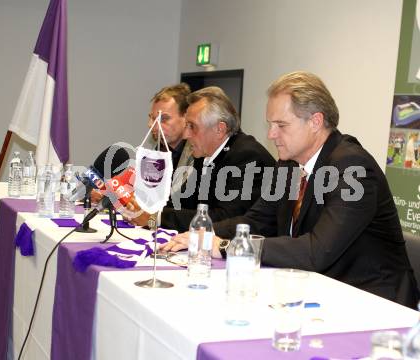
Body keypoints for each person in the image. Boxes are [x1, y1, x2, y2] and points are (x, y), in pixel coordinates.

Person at [163, 71, 419, 308]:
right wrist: (200, 234)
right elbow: (256, 221)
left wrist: (225, 246)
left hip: (371, 302)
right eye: (270, 124)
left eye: (281, 125)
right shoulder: (289, 165)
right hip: (316, 291)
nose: (271, 134)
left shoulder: (352, 168)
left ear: (315, 122)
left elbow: (316, 251)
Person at [128, 86, 276, 232]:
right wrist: (145, 209)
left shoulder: (248, 156)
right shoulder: (204, 153)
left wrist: (156, 217)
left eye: (192, 126)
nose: (186, 135)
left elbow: (224, 218)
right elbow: (182, 202)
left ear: (219, 129)